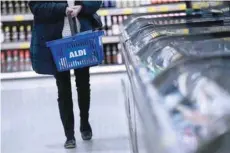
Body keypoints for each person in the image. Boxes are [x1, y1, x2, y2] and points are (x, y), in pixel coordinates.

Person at [28, 1, 102, 149]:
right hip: (57, 42)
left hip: (82, 38)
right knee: (63, 89)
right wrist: (63, 9)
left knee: (83, 84)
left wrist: (82, 7)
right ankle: (69, 135)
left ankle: (85, 124)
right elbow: (36, 6)